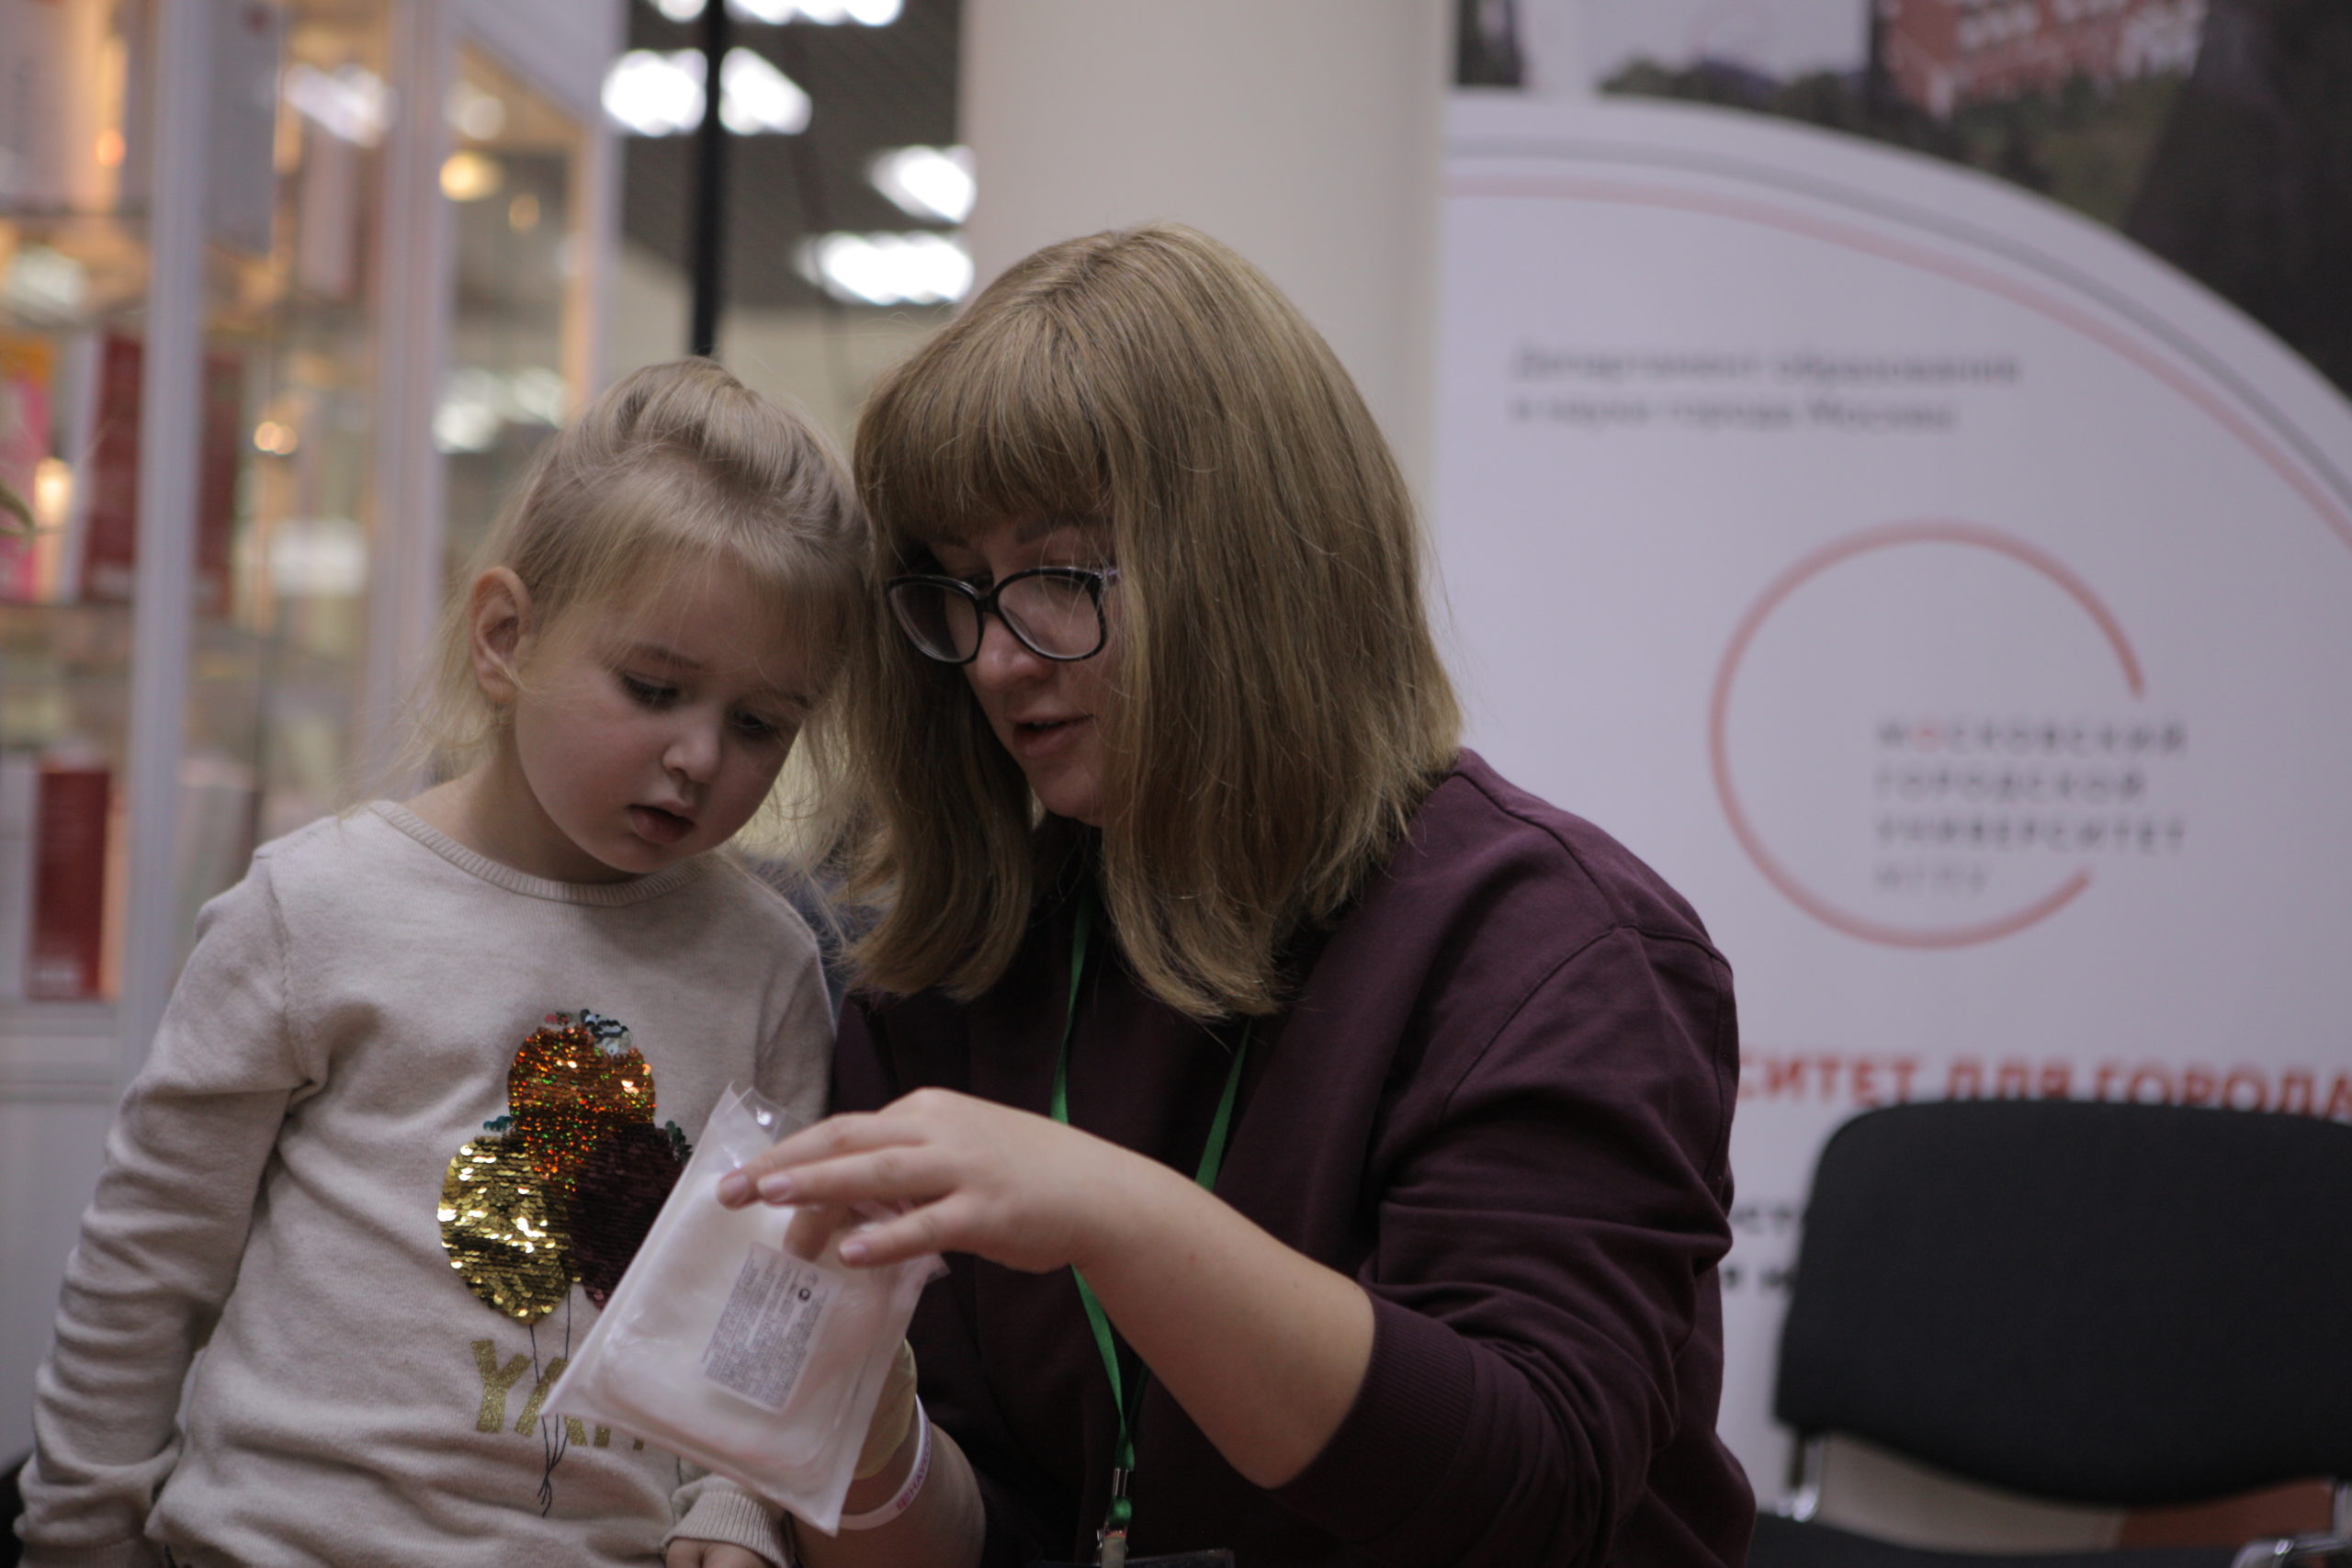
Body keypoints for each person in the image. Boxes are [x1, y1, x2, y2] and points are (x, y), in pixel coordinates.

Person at [719, 225, 1755, 1568]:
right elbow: (994, 1531)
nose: (994, 660)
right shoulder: (958, 971)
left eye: (1062, 576)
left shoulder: (1555, 951)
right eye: (963, 591)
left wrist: (1117, 1217)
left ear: (1256, 561)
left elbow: (1532, 1493)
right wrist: (862, 1443)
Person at [15, 361, 862, 1568]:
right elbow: (147, 1267)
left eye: (759, 724)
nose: (697, 756)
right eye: (654, 688)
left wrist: (737, 1503)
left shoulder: (769, 966)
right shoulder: (314, 908)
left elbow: (772, 1291)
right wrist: (79, 1535)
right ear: (506, 637)